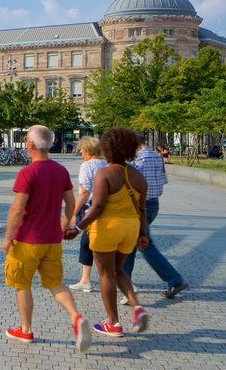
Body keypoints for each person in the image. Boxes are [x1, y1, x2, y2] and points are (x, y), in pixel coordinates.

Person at [1, 125, 91, 352]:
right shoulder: (60, 171)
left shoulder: (28, 173)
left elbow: (17, 210)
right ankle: (76, 317)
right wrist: (64, 225)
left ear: (30, 145)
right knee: (55, 283)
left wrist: (7, 237)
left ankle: (26, 329)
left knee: (22, 285)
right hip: (52, 240)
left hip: (27, 240)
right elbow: (71, 204)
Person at [68, 127, 151, 337]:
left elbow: (96, 207)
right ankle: (136, 307)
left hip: (107, 228)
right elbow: (142, 209)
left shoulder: (104, 174)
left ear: (107, 148)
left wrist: (78, 227)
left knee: (106, 274)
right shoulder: (139, 176)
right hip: (131, 228)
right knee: (118, 270)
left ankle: (113, 323)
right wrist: (143, 234)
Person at [121, 135, 188, 300]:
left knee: (145, 245)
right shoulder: (158, 157)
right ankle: (125, 282)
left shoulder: (136, 160)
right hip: (153, 205)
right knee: (131, 243)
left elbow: (129, 183)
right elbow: (162, 180)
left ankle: (175, 279)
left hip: (139, 207)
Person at [68, 136, 107, 293]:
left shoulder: (87, 166)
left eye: (82, 151)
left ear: (89, 151)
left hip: (90, 208)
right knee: (89, 241)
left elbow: (84, 191)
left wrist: (73, 212)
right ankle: (86, 279)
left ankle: (87, 280)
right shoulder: (105, 165)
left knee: (88, 242)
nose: (81, 154)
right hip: (105, 207)